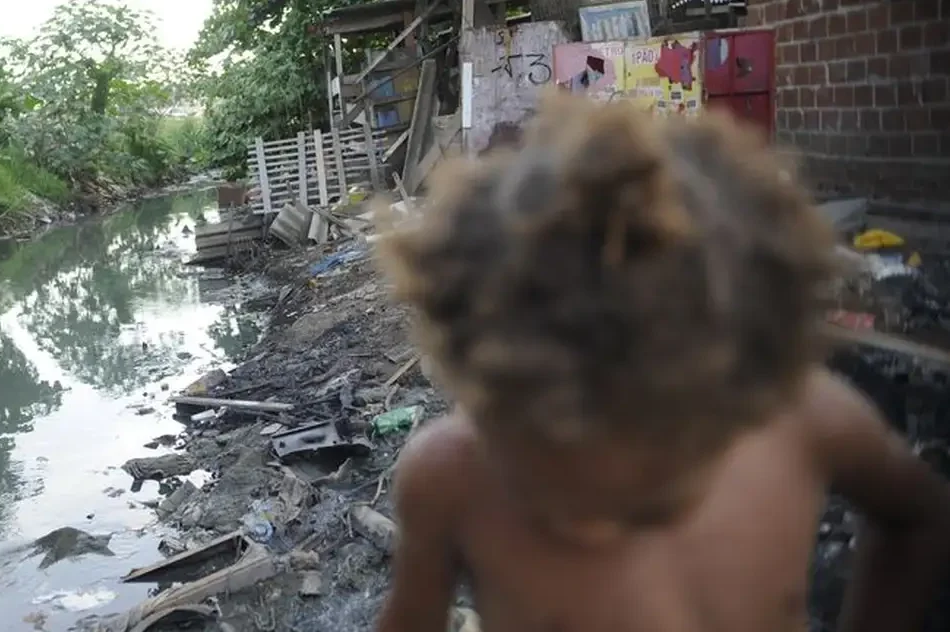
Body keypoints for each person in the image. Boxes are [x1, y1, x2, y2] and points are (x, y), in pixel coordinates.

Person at [373, 93, 950, 632]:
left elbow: (917, 517)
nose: (592, 529)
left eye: (653, 501)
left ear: (733, 403)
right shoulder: (448, 479)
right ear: (480, 396)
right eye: (555, 486)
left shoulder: (801, 418)